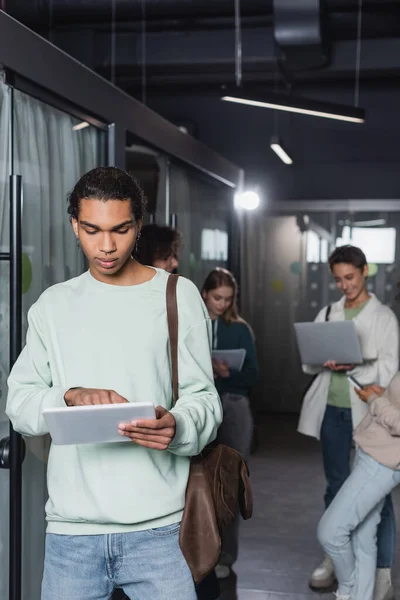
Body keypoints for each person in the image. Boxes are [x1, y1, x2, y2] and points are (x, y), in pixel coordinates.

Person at [6, 166, 223, 600]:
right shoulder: (53, 305)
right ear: (74, 225)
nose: (106, 246)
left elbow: (205, 401)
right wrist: (69, 396)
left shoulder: (178, 295)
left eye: (120, 230)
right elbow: (19, 403)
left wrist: (177, 425)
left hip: (161, 531)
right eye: (92, 230)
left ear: (138, 226)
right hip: (72, 535)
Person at [298, 245, 399, 600]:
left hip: (369, 417)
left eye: (350, 277)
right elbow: (308, 364)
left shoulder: (384, 317)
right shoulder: (329, 312)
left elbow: (389, 369)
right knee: (336, 485)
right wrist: (324, 362)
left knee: (377, 498)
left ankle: (382, 572)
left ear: (364, 271)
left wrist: (350, 365)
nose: (344, 285)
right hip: (334, 412)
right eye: (338, 279)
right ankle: (334, 555)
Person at [135, 222, 220, 600]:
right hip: (125, 486)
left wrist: (182, 422)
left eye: (175, 255)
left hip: (174, 454)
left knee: (195, 530)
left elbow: (202, 394)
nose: (174, 262)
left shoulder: (180, 298)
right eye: (166, 255)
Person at [317, 373, 400, 600]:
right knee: (362, 539)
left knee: (330, 532)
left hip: (382, 462)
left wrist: (374, 400)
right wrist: (386, 395)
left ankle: (348, 592)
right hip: (374, 452)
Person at [201, 267, 259, 580]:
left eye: (228, 299)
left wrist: (228, 373)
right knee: (199, 481)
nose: (222, 304)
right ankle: (198, 550)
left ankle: (226, 555)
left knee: (231, 482)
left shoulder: (240, 329)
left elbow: (254, 375)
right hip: (199, 405)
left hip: (233, 406)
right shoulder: (188, 324)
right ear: (204, 294)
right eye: (216, 297)